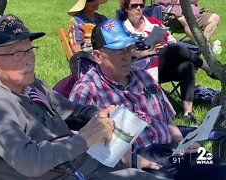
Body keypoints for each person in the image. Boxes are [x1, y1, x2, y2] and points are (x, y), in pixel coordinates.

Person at [0, 14, 167, 180]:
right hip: (71, 174)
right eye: (18, 53)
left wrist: (98, 114)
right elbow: (30, 161)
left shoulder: (33, 86)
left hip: (88, 166)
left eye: (29, 50)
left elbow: (73, 110)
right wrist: (84, 138)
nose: (28, 59)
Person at [69, 18, 226, 180]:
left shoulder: (143, 77)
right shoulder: (87, 89)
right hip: (133, 161)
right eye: (118, 52)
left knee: (221, 170)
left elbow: (167, 121)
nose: (126, 57)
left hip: (171, 150)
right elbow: (80, 143)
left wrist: (183, 142)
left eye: (129, 49)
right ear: (98, 56)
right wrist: (132, 160)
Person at [119, 0, 218, 123]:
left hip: (163, 66)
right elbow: (123, 55)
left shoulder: (153, 22)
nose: (138, 8)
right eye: (134, 6)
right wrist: (149, 52)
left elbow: (172, 41)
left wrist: (164, 44)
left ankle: (188, 112)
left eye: (141, 5)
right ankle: (208, 68)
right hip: (141, 71)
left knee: (186, 65)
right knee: (173, 49)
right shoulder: (122, 29)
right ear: (125, 8)